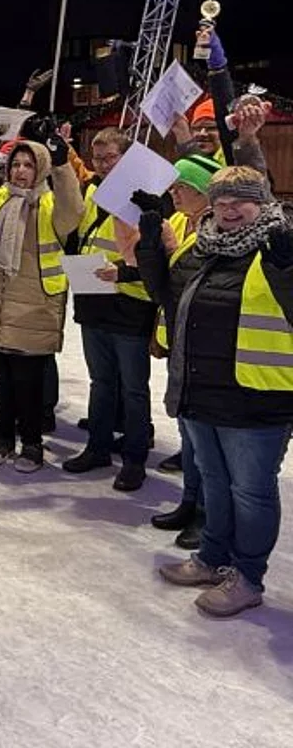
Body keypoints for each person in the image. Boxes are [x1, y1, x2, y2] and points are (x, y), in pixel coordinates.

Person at [155, 166, 293, 617]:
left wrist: (286, 268)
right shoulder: (204, 246)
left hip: (257, 397)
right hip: (201, 389)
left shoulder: (281, 246)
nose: (230, 210)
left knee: (251, 492)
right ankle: (212, 558)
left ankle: (248, 577)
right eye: (221, 202)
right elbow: (167, 295)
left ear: (262, 203)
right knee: (213, 482)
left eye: (241, 202)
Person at [0, 129, 84, 471]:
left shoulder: (51, 206)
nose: (20, 171)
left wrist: (61, 165)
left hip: (33, 310)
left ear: (40, 169)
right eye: (15, 164)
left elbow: (74, 211)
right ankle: (1, 438)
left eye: (28, 165)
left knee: (29, 385)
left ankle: (32, 445)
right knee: (1, 382)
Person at [62, 127, 157, 491]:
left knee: (134, 389)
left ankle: (134, 460)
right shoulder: (90, 190)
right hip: (94, 300)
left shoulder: (149, 197)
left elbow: (158, 255)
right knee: (101, 383)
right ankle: (98, 447)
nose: (102, 165)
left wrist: (123, 272)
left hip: (131, 303)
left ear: (126, 158)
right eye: (97, 158)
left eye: (110, 158)